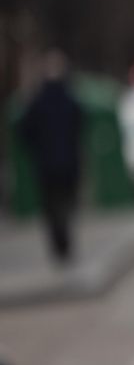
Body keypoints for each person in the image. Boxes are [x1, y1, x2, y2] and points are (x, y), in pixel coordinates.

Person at [19, 49, 83, 266]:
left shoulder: (37, 101)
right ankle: (64, 243)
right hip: (68, 164)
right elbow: (80, 126)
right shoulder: (69, 98)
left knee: (52, 207)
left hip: (46, 164)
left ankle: (59, 245)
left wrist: (36, 150)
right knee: (65, 204)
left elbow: (25, 130)